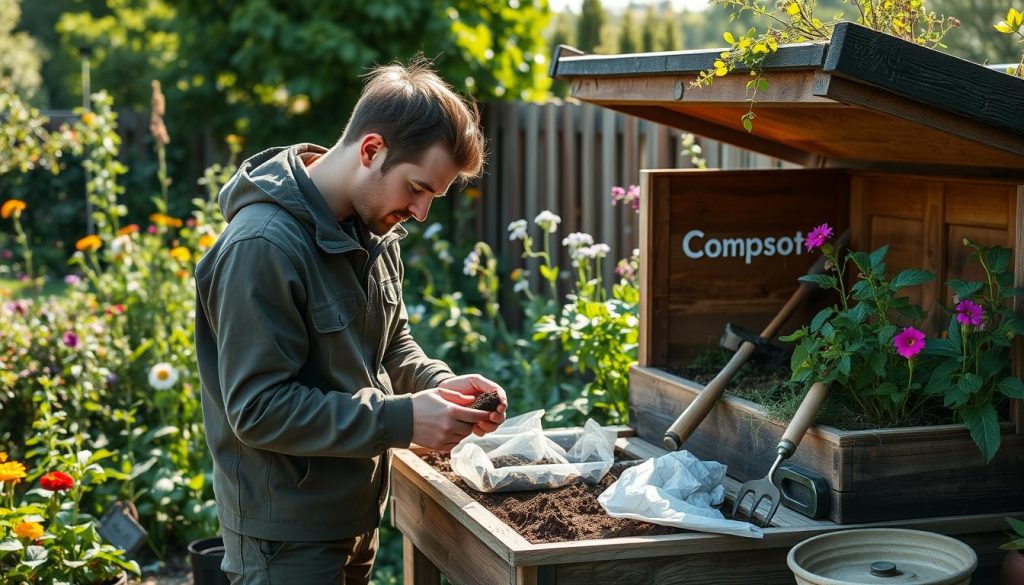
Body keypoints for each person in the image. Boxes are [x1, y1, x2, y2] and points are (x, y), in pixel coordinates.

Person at [194, 58, 506, 584]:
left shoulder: (376, 234)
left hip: (354, 518)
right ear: (370, 151)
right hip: (284, 539)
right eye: (418, 188)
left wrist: (442, 387)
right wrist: (403, 420)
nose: (422, 211)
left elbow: (392, 349)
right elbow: (258, 410)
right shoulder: (263, 246)